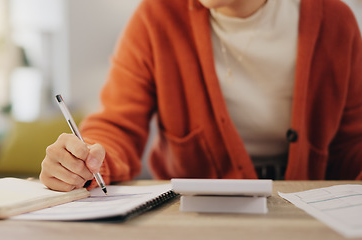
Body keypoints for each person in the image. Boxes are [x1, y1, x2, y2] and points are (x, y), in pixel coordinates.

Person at [40, 0, 362, 192]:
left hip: (304, 213)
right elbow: (118, 124)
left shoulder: (334, 21)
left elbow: (353, 144)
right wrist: (85, 159)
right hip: (194, 216)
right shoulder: (156, 18)